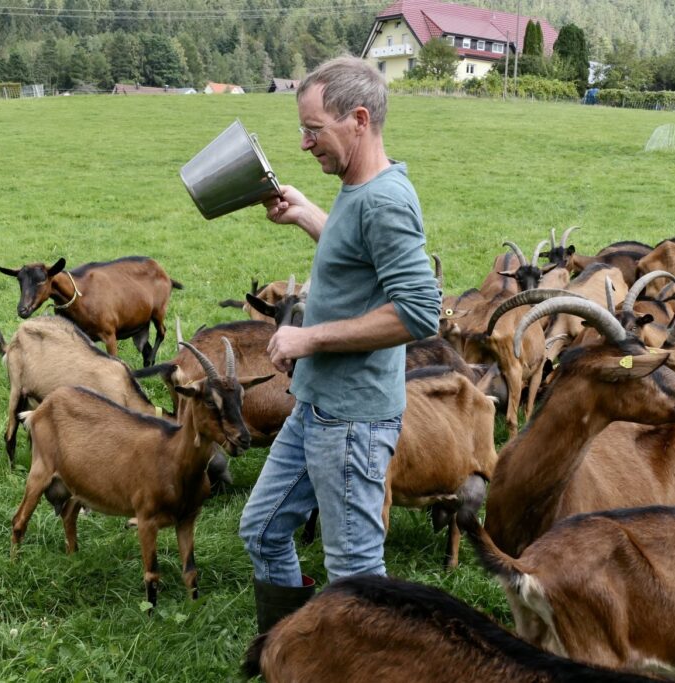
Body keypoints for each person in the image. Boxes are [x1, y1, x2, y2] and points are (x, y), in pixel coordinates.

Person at [238, 55, 441, 634]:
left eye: (312, 130)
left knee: (355, 575)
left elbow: (419, 313)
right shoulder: (359, 190)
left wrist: (309, 337)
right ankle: (295, 650)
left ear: (357, 119)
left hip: (352, 421)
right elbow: (360, 256)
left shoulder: (384, 200)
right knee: (262, 530)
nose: (304, 144)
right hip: (319, 406)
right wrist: (308, 216)